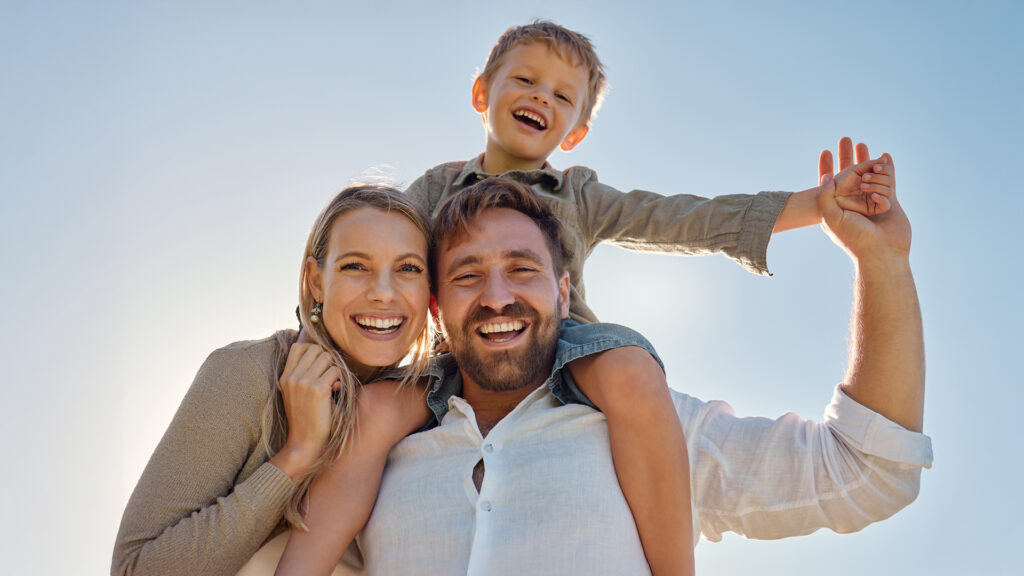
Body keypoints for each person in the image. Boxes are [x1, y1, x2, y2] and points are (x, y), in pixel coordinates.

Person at [404, 20, 895, 572]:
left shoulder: (578, 195)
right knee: (369, 412)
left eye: (562, 96)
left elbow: (680, 218)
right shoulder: (432, 189)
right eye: (524, 79)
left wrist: (815, 203)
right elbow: (372, 245)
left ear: (574, 132)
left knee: (632, 370)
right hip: (450, 354)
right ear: (481, 93)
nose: (541, 96)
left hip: (563, 350)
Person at [349, 170, 930, 574]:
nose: (498, 296)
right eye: (467, 275)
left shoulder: (646, 425)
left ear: (564, 290)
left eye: (523, 269)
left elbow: (869, 472)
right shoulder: (375, 439)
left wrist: (882, 264)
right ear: (435, 306)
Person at [111, 185, 437, 576]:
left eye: (408, 269)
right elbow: (135, 568)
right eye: (354, 266)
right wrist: (297, 455)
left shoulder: (438, 401)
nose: (383, 293)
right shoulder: (247, 373)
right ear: (316, 281)